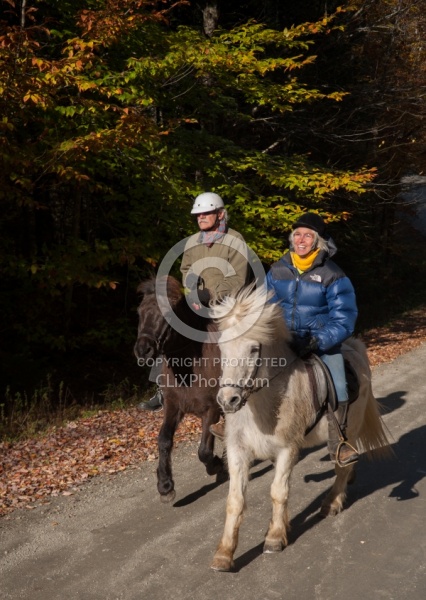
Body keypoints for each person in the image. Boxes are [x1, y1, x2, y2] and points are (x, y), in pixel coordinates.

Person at [138, 192, 249, 416]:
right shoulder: (192, 242)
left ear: (220, 214)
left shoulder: (235, 240)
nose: (201, 217)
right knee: (168, 326)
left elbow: (239, 278)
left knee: (236, 340)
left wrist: (212, 294)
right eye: (198, 214)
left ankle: (238, 388)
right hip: (198, 299)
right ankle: (162, 388)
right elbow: (186, 269)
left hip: (230, 303)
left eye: (206, 213)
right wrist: (192, 290)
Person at [265, 212, 359, 466]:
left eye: (308, 235)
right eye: (297, 234)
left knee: (338, 384)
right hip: (282, 341)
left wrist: (317, 341)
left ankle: (339, 442)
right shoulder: (277, 269)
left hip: (320, 344)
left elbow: (345, 318)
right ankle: (234, 426)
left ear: (317, 241)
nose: (302, 239)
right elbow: (266, 307)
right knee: (244, 367)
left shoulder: (332, 274)